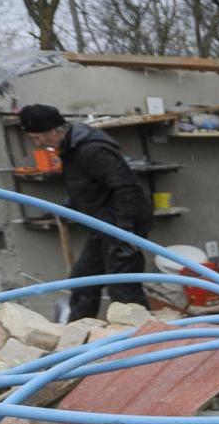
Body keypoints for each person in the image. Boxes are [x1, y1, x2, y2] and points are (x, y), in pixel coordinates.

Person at [18, 104, 152, 321]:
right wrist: (66, 208)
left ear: (53, 131)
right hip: (103, 225)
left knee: (123, 291)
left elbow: (126, 187)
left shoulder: (92, 148)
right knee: (83, 280)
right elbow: (84, 186)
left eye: (37, 137)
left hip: (124, 224)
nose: (37, 143)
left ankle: (144, 343)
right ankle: (80, 336)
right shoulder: (70, 148)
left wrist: (125, 230)